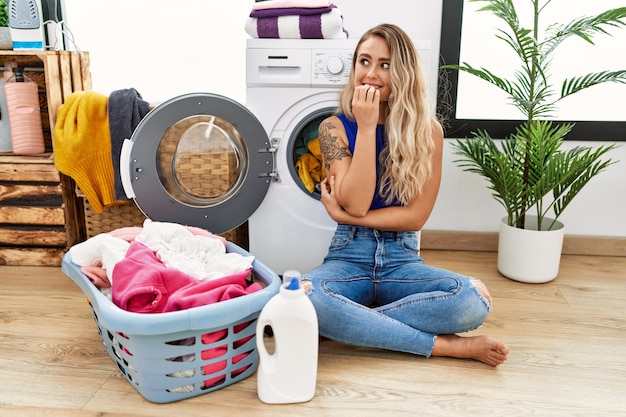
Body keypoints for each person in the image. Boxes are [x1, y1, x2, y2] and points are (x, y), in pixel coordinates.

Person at [302, 24, 509, 367]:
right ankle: (447, 347)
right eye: (364, 61)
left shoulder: (429, 132)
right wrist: (367, 127)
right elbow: (356, 201)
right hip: (348, 258)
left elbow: (414, 217)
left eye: (385, 64)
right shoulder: (332, 129)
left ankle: (349, 322)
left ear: (404, 72)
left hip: (402, 261)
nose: (371, 73)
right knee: (309, 298)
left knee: (473, 300)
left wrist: (343, 216)